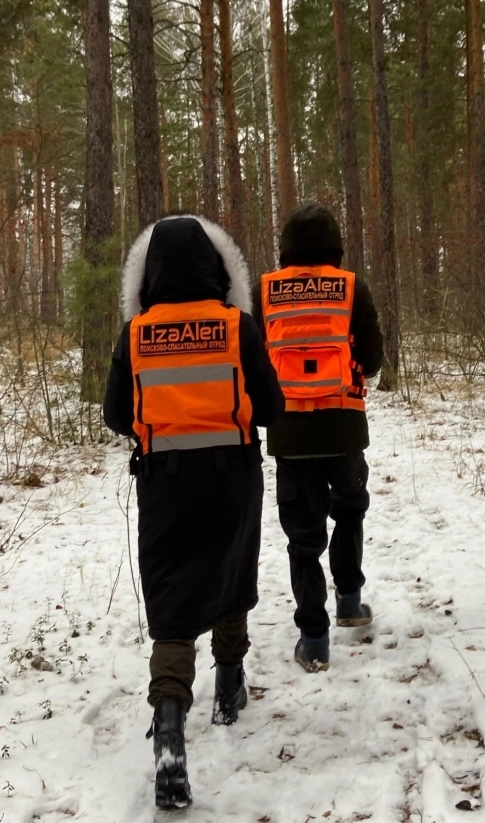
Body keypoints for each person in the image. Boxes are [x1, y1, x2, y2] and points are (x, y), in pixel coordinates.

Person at [103, 215, 283, 809]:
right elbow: (272, 408)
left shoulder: (134, 334)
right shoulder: (238, 326)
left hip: (163, 484)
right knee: (232, 573)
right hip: (232, 475)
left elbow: (112, 414)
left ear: (148, 274)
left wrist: (158, 429)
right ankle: (229, 685)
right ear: (217, 268)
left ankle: (172, 725)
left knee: (173, 606)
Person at [252, 203, 384, 674]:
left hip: (289, 430)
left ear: (285, 248)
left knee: (303, 538)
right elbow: (371, 360)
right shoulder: (351, 288)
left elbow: (252, 363)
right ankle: (349, 600)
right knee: (349, 510)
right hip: (344, 424)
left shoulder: (264, 291)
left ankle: (313, 640)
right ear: (335, 245)